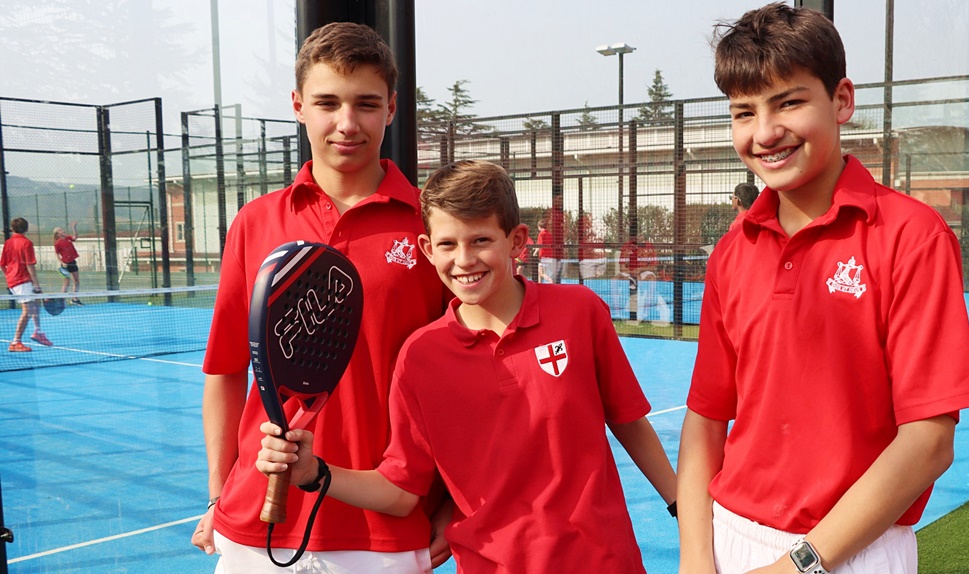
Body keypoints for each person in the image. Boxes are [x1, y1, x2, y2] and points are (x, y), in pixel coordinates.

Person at [676, 4, 969, 574]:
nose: (765, 133)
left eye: (789, 102)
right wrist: (695, 558)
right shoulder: (732, 249)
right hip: (731, 538)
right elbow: (706, 417)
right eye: (743, 112)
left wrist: (800, 565)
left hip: (853, 550)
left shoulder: (911, 235)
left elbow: (929, 440)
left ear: (842, 100)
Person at [256, 160, 678, 572]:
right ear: (427, 249)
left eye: (480, 240)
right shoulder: (420, 357)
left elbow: (629, 421)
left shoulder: (580, 312)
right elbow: (402, 489)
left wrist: (685, 507)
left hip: (602, 560)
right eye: (447, 244)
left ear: (516, 241)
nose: (464, 260)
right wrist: (315, 473)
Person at [192, 22, 451, 573]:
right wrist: (218, 493)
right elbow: (224, 370)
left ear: (392, 108)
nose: (346, 123)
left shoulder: (434, 226)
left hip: (385, 530)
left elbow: (466, 380)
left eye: (366, 103)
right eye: (327, 102)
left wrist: (452, 503)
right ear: (298, 105)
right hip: (255, 524)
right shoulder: (254, 221)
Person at [1, 217, 53, 351]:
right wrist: (37, 285)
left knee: (36, 303)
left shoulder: (8, 242)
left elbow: (2, 264)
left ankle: (38, 332)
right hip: (22, 281)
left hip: (16, 280)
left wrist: (9, 277)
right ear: (27, 229)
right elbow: (30, 265)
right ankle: (15, 342)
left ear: (12, 229)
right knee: (28, 310)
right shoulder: (27, 243)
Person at [53, 222, 83, 305]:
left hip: (72, 262)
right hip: (65, 264)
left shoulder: (68, 238)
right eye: (60, 230)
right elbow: (56, 254)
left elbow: (75, 237)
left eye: (62, 230)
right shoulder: (57, 243)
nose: (63, 231)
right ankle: (62, 301)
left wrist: (74, 228)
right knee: (66, 282)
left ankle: (75, 298)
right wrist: (61, 262)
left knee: (76, 281)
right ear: (58, 234)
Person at [535, 215, 561, 283]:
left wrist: (535, 252)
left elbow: (540, 245)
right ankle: (540, 285)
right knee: (541, 272)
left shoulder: (541, 234)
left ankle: (549, 280)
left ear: (539, 227)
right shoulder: (550, 234)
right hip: (550, 256)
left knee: (541, 273)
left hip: (543, 256)